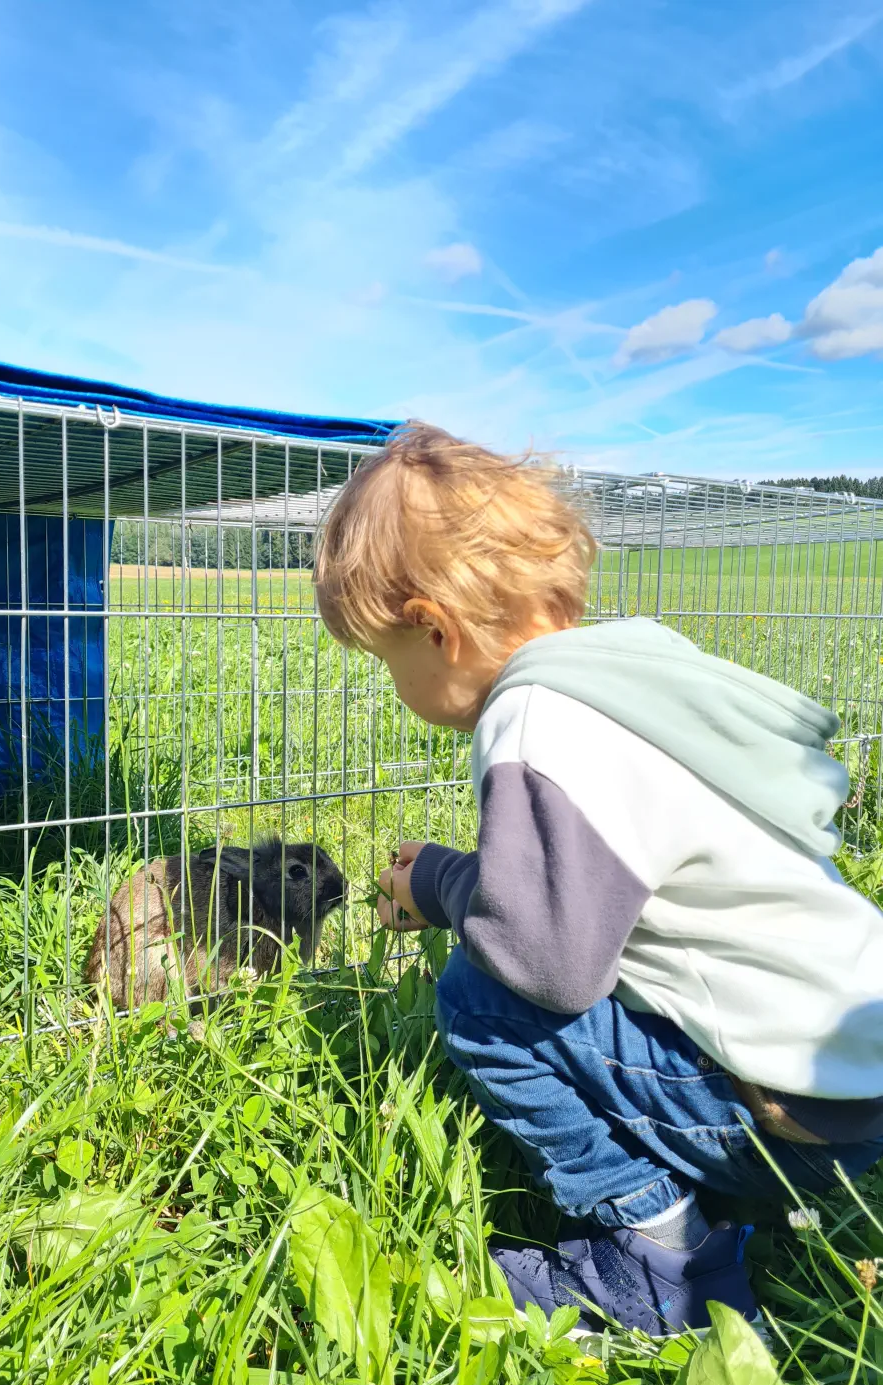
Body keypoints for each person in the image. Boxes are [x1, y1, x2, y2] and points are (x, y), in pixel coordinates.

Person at [312, 421, 883, 1338]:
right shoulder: (640, 669)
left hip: (786, 1117)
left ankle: (660, 1263)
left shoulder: (537, 716)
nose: (395, 685)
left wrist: (442, 886)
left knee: (478, 997)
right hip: (854, 1074)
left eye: (388, 662)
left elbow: (546, 963)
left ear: (436, 627)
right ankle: (734, 1200)